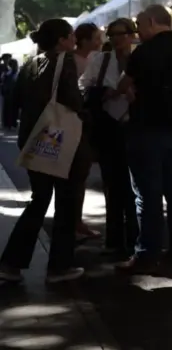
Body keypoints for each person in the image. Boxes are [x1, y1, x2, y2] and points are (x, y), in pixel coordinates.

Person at [0, 19, 88, 284]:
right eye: (70, 35)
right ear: (61, 40)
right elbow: (73, 100)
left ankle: (11, 263)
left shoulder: (29, 63)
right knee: (66, 201)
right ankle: (60, 266)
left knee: (39, 200)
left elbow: (14, 101)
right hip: (60, 139)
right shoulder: (65, 62)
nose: (74, 39)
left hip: (33, 138)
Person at [115, 5, 172, 273]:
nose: (137, 31)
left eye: (140, 25)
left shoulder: (144, 52)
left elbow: (123, 85)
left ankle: (147, 252)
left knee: (147, 194)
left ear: (152, 22)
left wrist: (131, 94)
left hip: (145, 128)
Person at [79, 18, 139, 257]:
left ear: (131, 35)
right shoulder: (100, 60)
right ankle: (114, 238)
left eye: (121, 34)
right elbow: (83, 87)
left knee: (134, 187)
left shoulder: (141, 59)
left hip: (135, 127)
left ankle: (135, 237)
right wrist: (106, 93)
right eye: (111, 35)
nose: (116, 39)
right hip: (108, 128)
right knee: (112, 185)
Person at [72, 23, 103, 243]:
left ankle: (75, 221)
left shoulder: (92, 59)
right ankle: (73, 222)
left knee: (78, 176)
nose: (99, 42)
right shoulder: (75, 62)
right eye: (95, 38)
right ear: (83, 40)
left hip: (83, 124)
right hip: (75, 124)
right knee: (75, 175)